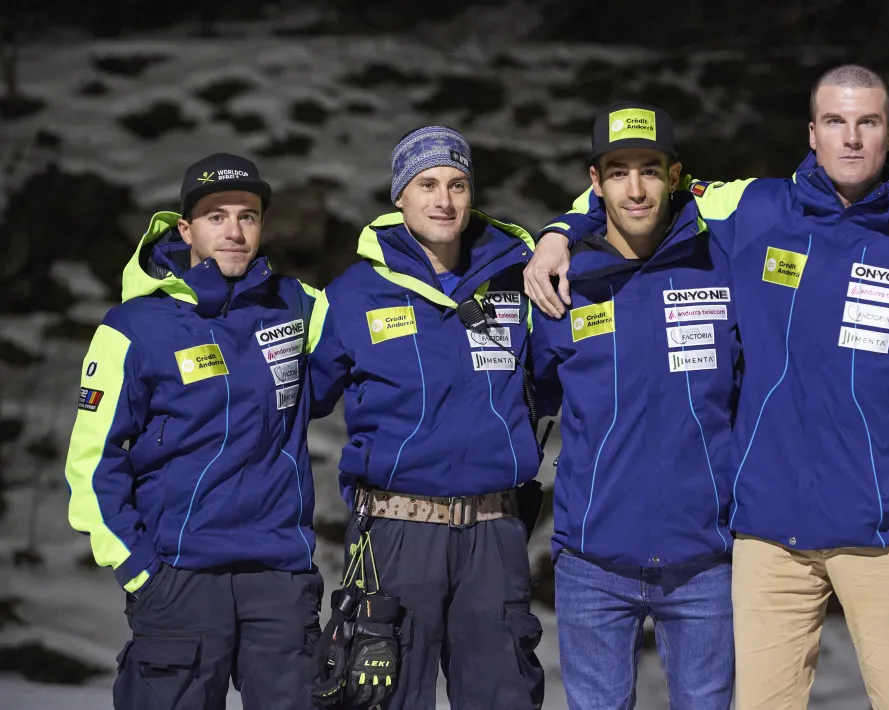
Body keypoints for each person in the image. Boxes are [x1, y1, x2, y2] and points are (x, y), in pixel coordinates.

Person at [527, 64, 889, 710]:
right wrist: (557, 232)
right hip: (770, 540)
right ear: (812, 132)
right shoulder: (757, 208)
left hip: (888, 532)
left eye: (867, 123)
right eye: (835, 122)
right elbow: (640, 193)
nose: (850, 138)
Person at [63, 154, 322, 710]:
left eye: (248, 216)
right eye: (215, 216)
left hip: (278, 578)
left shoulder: (296, 306)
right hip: (179, 577)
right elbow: (91, 462)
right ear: (185, 228)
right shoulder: (132, 327)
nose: (234, 230)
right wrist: (138, 571)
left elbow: (389, 317)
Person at [307, 126, 544, 709]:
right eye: (427, 184)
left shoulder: (521, 281)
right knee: (385, 699)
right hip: (396, 532)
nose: (444, 199)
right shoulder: (353, 294)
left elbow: (563, 379)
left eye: (457, 184)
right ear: (400, 198)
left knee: (504, 697)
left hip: (493, 531)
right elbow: (295, 402)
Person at [530, 102, 738, 709]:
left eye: (650, 168)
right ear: (595, 184)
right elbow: (531, 393)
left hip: (706, 558)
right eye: (618, 171)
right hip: (593, 560)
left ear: (675, 176)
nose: (636, 187)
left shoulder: (722, 262)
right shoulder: (565, 281)